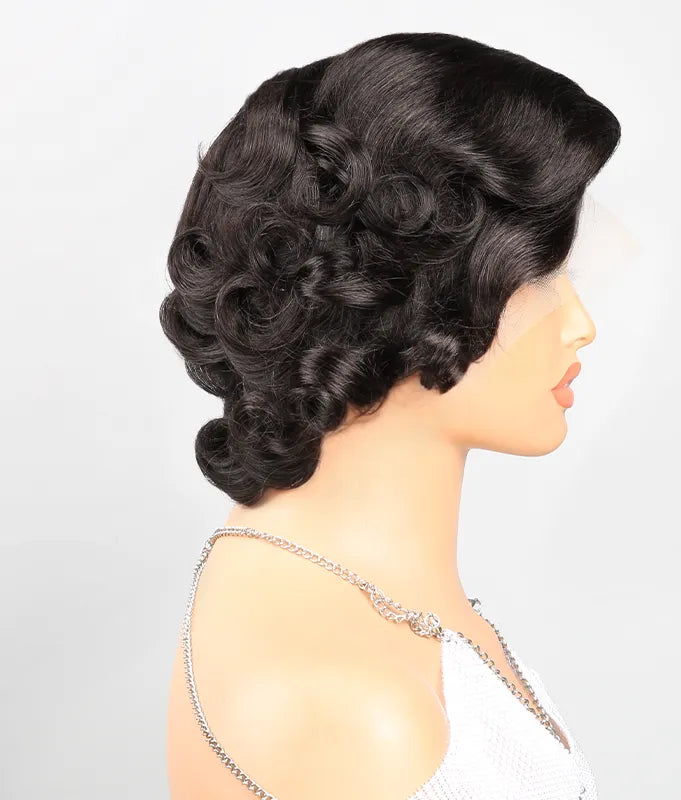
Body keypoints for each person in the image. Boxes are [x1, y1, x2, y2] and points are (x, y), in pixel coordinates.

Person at [160, 31, 621, 799]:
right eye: (539, 276)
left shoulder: (373, 606)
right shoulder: (361, 709)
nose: (580, 325)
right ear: (417, 296)